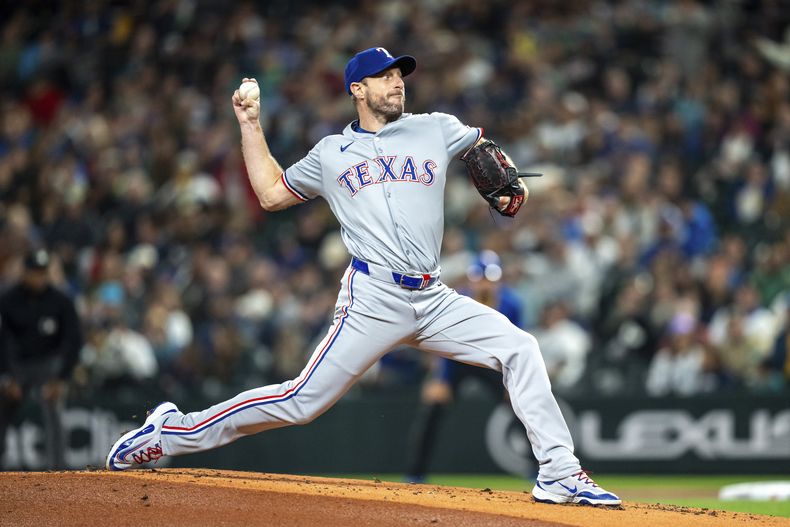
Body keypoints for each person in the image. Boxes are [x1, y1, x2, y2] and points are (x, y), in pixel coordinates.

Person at [106, 47, 620, 506]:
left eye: (400, 74)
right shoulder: (330, 153)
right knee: (299, 402)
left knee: (520, 348)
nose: (397, 82)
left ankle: (558, 474)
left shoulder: (435, 126)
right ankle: (168, 435)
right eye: (384, 76)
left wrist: (506, 180)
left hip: (435, 295)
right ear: (358, 88)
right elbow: (269, 193)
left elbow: (484, 153)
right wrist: (249, 125)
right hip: (373, 297)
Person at [405, 250, 527, 483]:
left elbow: (517, 345)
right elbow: (443, 339)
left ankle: (539, 469)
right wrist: (440, 379)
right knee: (433, 408)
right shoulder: (458, 299)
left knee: (521, 405)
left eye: (489, 279)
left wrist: (512, 381)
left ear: (499, 280)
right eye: (479, 278)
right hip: (457, 360)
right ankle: (415, 473)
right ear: (471, 279)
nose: (484, 284)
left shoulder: (512, 304)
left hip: (493, 363)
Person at [0, 249, 83, 469]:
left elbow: (73, 341)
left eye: (42, 272)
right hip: (16, 365)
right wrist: (7, 376)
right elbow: (3, 341)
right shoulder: (7, 299)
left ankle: (58, 471)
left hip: (48, 364)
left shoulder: (61, 300)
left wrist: (60, 378)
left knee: (55, 411)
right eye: (35, 272)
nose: (39, 277)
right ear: (25, 272)